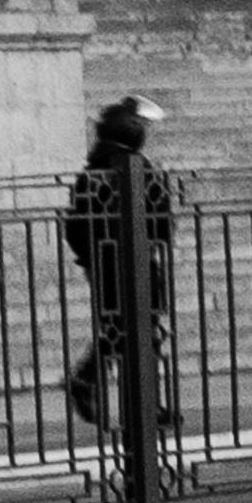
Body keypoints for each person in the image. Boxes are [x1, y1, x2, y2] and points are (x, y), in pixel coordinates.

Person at [63, 94, 175, 436]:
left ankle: (130, 400)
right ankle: (132, 402)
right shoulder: (138, 167)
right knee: (138, 333)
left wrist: (89, 259)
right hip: (136, 262)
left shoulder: (92, 171)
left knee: (119, 331)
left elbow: (75, 225)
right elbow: (161, 220)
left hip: (104, 264)